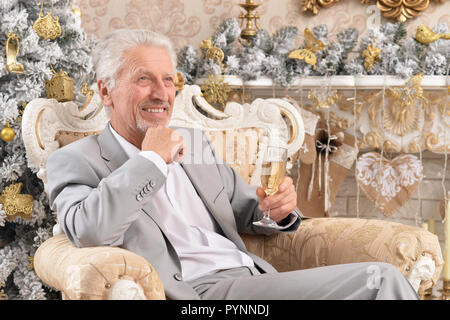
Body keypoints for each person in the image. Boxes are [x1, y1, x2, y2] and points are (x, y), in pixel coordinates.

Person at [46, 29, 419, 300]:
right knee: (379, 282)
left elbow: (246, 207)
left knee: (379, 280)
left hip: (250, 280)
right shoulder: (76, 159)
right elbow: (88, 230)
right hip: (196, 294)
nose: (161, 94)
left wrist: (276, 209)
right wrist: (150, 160)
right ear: (106, 91)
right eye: (143, 79)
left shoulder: (193, 142)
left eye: (168, 81)